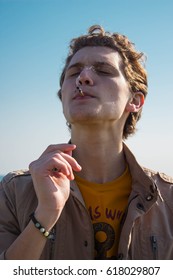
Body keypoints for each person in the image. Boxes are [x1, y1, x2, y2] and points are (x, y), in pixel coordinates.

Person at [0, 25, 173, 260]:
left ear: (135, 100)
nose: (84, 77)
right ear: (63, 97)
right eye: (74, 73)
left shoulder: (168, 198)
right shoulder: (13, 192)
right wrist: (45, 215)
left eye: (103, 70)